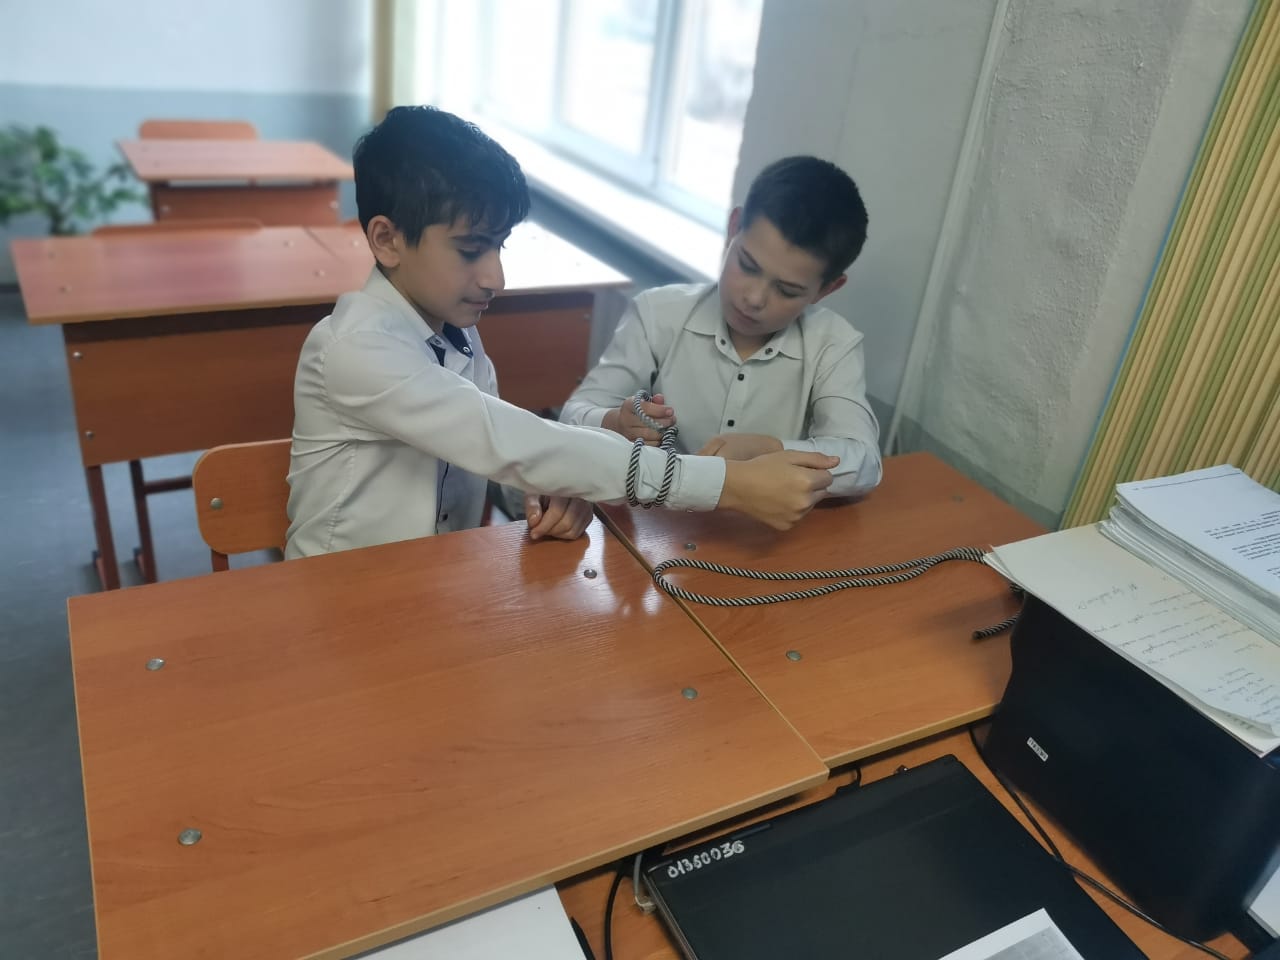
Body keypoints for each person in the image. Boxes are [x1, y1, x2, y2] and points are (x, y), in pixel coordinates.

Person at [285, 106, 839, 559]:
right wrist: (727, 484)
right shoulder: (355, 349)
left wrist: (547, 488)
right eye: (471, 249)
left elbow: (501, 453)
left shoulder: (454, 332)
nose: (496, 277)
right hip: (339, 605)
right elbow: (506, 440)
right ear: (387, 240)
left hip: (436, 586)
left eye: (499, 246)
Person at [560, 155, 881, 499]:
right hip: (657, 516)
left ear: (827, 289)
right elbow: (571, 417)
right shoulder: (658, 314)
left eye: (787, 290)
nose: (754, 298)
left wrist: (769, 448)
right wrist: (613, 422)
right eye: (747, 265)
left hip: (765, 524)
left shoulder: (833, 344)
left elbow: (863, 461)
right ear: (733, 227)